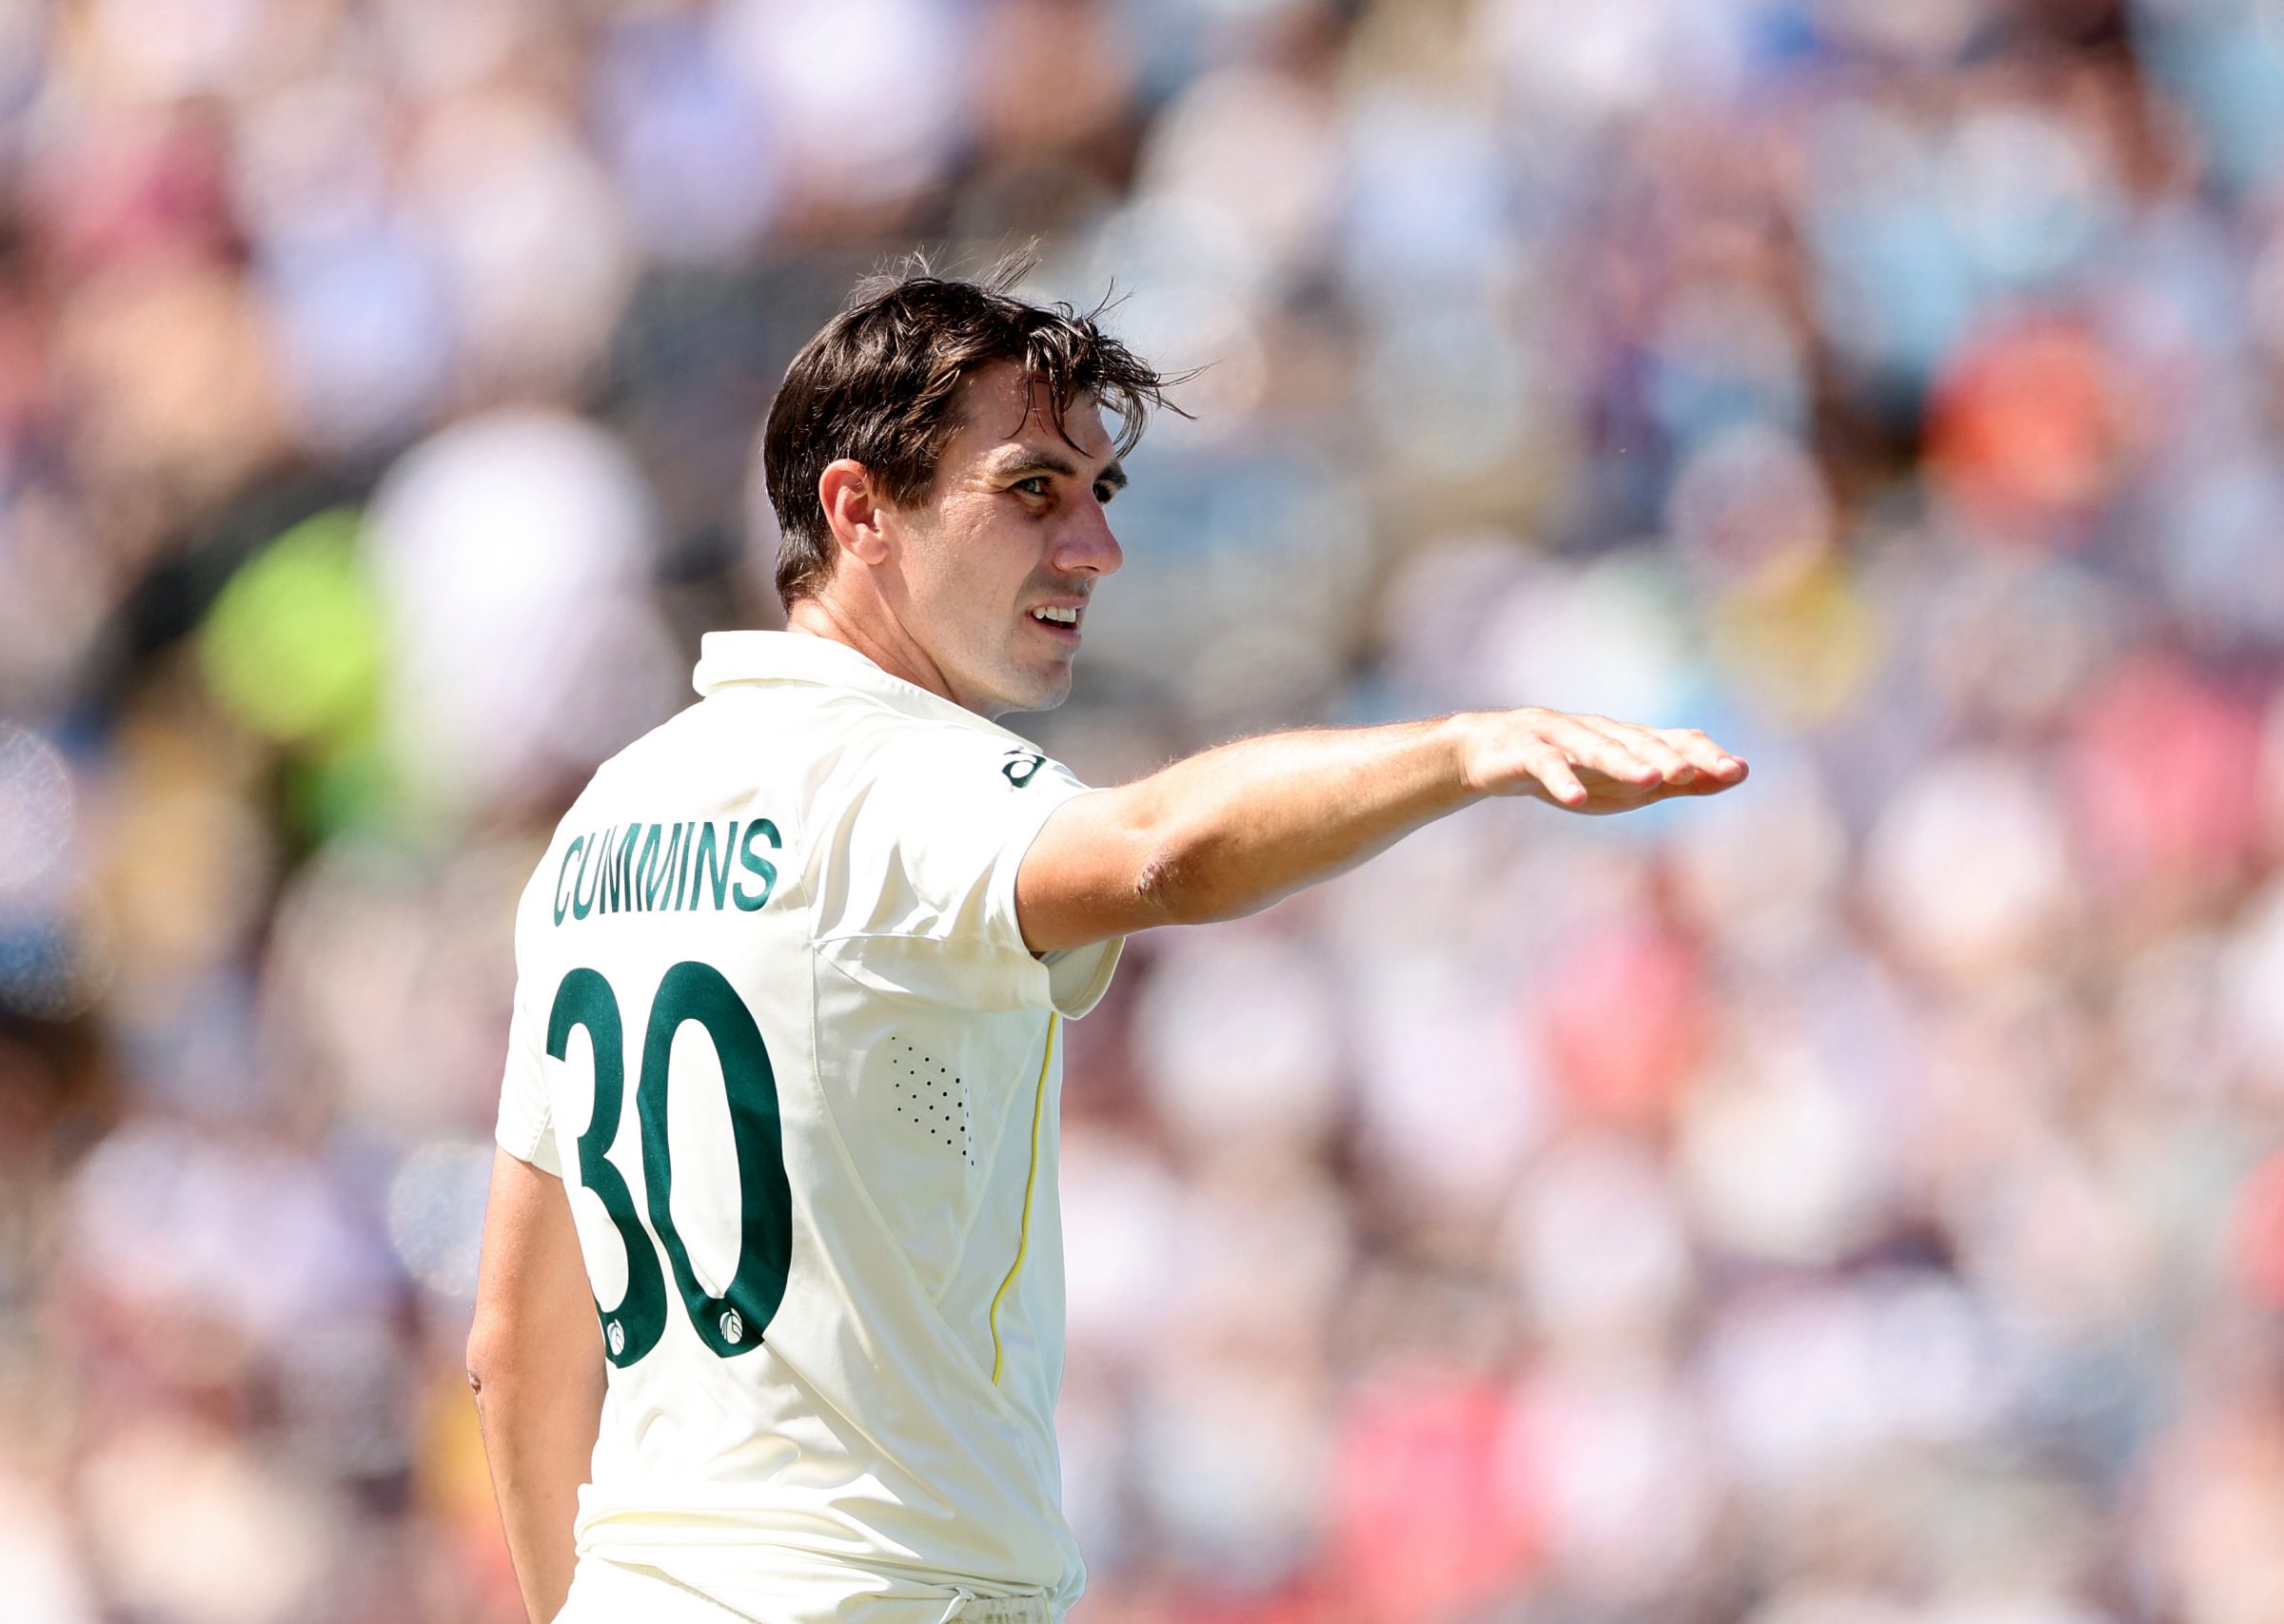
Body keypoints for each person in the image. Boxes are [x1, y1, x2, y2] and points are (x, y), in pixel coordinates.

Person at [465, 256, 1748, 1624]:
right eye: (1030, 491)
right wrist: (1460, 748)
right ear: (860, 513)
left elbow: (516, 1348)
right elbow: (1163, 852)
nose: (1094, 548)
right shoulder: (896, 780)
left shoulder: (609, 821)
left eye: (1097, 495)